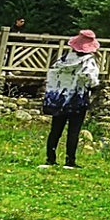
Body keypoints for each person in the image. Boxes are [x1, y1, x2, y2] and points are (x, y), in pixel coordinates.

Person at [41, 30, 102, 169]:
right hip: (78, 99)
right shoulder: (89, 61)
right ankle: (70, 160)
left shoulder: (63, 59)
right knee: (74, 130)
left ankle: (50, 158)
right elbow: (92, 81)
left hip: (59, 98)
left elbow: (52, 74)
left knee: (56, 129)